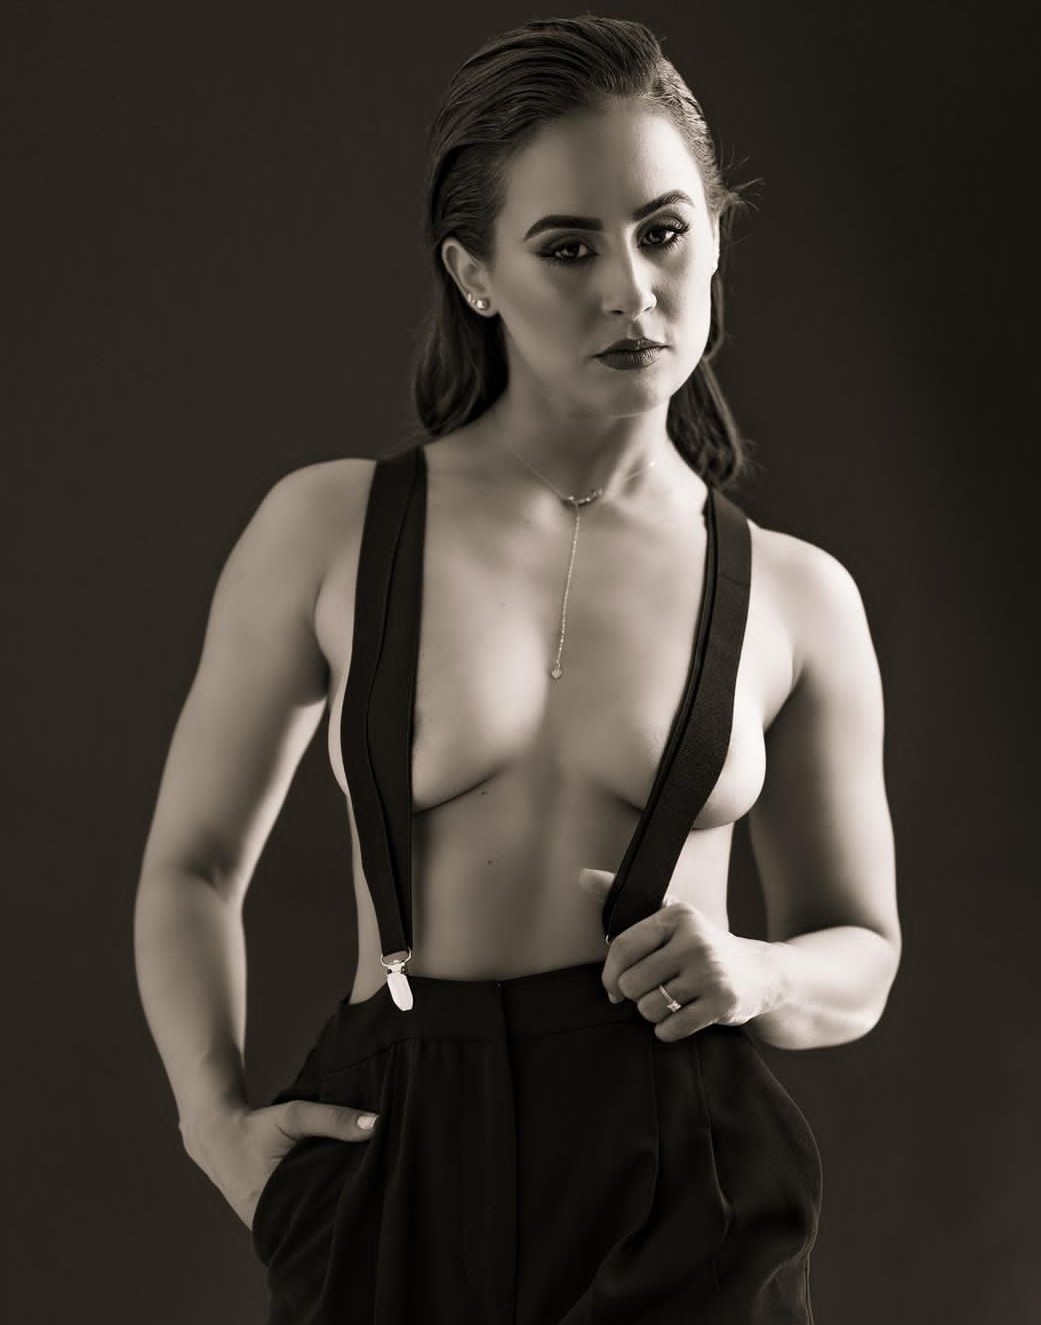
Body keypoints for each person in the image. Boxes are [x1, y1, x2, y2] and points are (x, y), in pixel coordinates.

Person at [134, 15, 900, 1324]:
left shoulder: (796, 593)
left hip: (682, 1169)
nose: (632, 289)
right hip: (398, 1151)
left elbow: (863, 952)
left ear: (717, 237)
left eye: (665, 231)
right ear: (475, 274)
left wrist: (758, 971)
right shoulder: (329, 531)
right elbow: (192, 863)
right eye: (568, 246)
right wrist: (215, 1124)